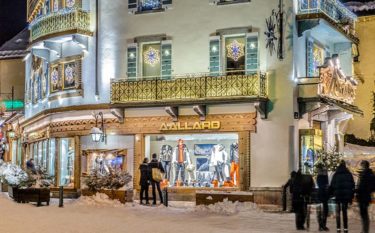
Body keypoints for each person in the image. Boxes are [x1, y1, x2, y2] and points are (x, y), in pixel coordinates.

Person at [330, 160, 355, 233]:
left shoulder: (336, 174)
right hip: (346, 196)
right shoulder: (349, 174)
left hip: (338, 196)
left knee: (338, 212)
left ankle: (338, 228)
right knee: (344, 212)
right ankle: (346, 228)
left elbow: (332, 185)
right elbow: (352, 185)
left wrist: (331, 193)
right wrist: (351, 195)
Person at [356, 160, 375, 233]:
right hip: (362, 197)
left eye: (362, 165)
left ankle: (365, 230)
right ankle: (364, 229)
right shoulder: (364, 174)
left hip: (365, 197)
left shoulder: (369, 174)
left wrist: (367, 190)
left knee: (364, 214)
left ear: (365, 165)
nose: (361, 166)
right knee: (363, 214)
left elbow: (372, 186)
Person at [316, 165, 330, 232]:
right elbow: (325, 186)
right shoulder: (324, 177)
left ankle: (321, 225)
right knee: (324, 211)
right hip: (323, 195)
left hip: (321, 195)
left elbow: (321, 185)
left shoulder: (319, 177)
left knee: (321, 211)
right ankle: (322, 225)